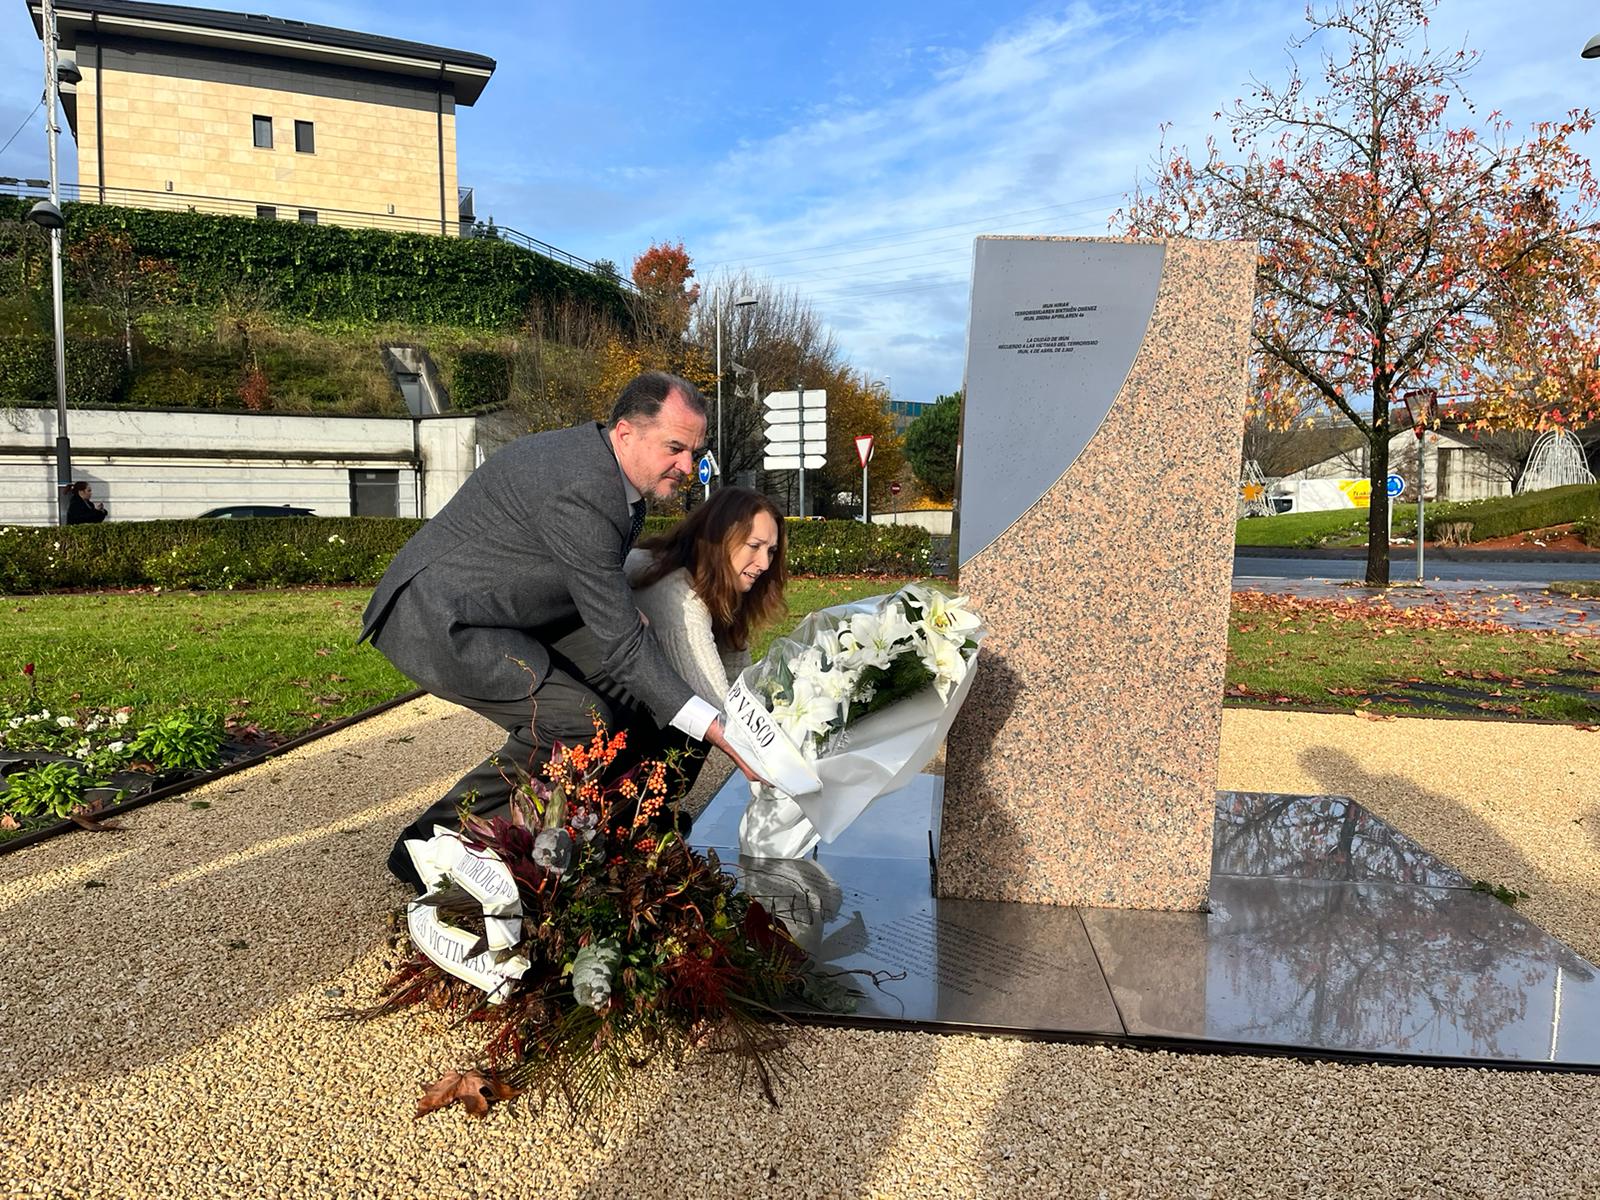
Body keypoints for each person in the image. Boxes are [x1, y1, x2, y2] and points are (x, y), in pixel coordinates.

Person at [360, 370, 765, 890]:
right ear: (626, 433)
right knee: (576, 720)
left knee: (652, 674)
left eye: (694, 450)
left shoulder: (610, 468)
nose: (688, 465)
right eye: (675, 447)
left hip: (511, 608)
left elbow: (595, 582)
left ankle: (633, 819)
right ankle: (428, 843)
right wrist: (720, 729)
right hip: (441, 620)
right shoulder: (585, 488)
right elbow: (620, 644)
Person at [625, 487, 787, 795]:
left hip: (637, 701)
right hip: (603, 706)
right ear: (721, 539)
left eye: (771, 551)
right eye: (754, 546)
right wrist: (780, 762)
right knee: (698, 724)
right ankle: (652, 817)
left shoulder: (714, 584)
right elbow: (715, 698)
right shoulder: (679, 596)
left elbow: (741, 682)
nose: (765, 564)